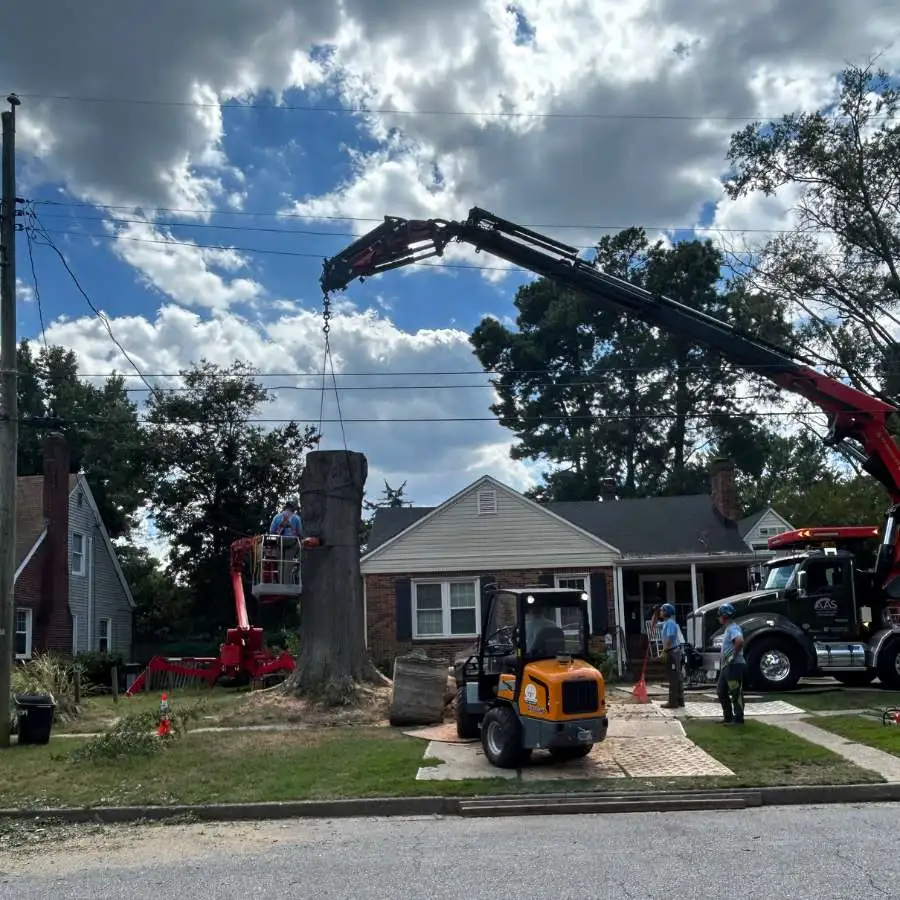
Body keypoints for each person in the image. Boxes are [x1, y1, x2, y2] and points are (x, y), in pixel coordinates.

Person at [716, 602, 745, 725]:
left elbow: (739, 640)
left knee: (735, 692)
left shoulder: (733, 628)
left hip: (734, 665)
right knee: (721, 691)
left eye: (720, 615)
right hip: (727, 666)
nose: (718, 618)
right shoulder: (729, 629)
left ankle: (738, 718)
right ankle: (728, 717)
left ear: (725, 616)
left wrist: (733, 656)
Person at [658, 603, 684, 709]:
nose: (660, 612)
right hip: (672, 651)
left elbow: (670, 637)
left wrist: (664, 651)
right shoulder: (665, 623)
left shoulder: (670, 623)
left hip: (672, 652)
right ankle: (680, 700)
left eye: (661, 610)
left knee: (673, 677)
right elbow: (654, 625)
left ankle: (673, 702)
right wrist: (655, 613)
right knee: (677, 676)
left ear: (666, 612)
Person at [269, 500, 302, 584]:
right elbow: (300, 533)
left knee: (280, 563)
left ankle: (280, 583)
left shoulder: (277, 517)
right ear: (293, 508)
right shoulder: (296, 518)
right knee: (288, 563)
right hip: (291, 543)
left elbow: (272, 531)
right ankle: (287, 583)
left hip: (280, 542)